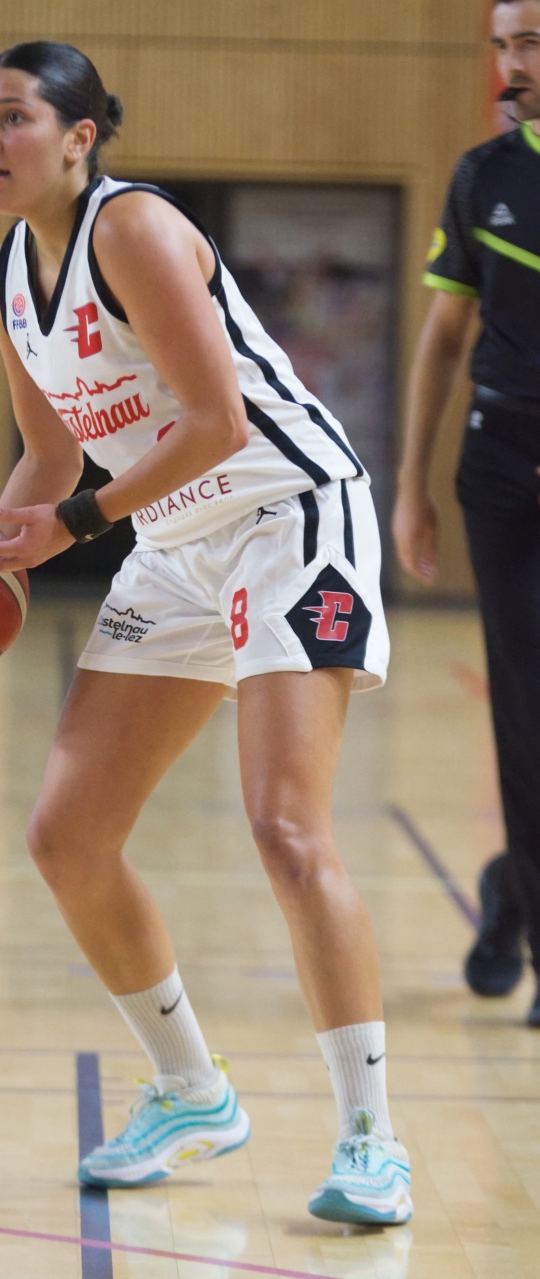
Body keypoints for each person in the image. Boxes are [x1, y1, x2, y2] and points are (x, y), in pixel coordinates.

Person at [0, 40, 412, 1223]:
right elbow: (50, 456)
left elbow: (216, 422)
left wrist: (72, 526)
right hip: (173, 540)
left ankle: (372, 1138)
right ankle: (192, 1092)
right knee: (67, 836)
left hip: (286, 514)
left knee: (285, 826)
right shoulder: (7, 271)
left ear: (79, 137)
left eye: (12, 118)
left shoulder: (135, 230)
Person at [392, 0, 540, 1029]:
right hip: (503, 467)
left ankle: (509, 889)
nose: (509, 62)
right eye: (501, 42)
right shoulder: (483, 176)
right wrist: (411, 485)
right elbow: (444, 338)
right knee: (526, 714)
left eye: (528, 40)